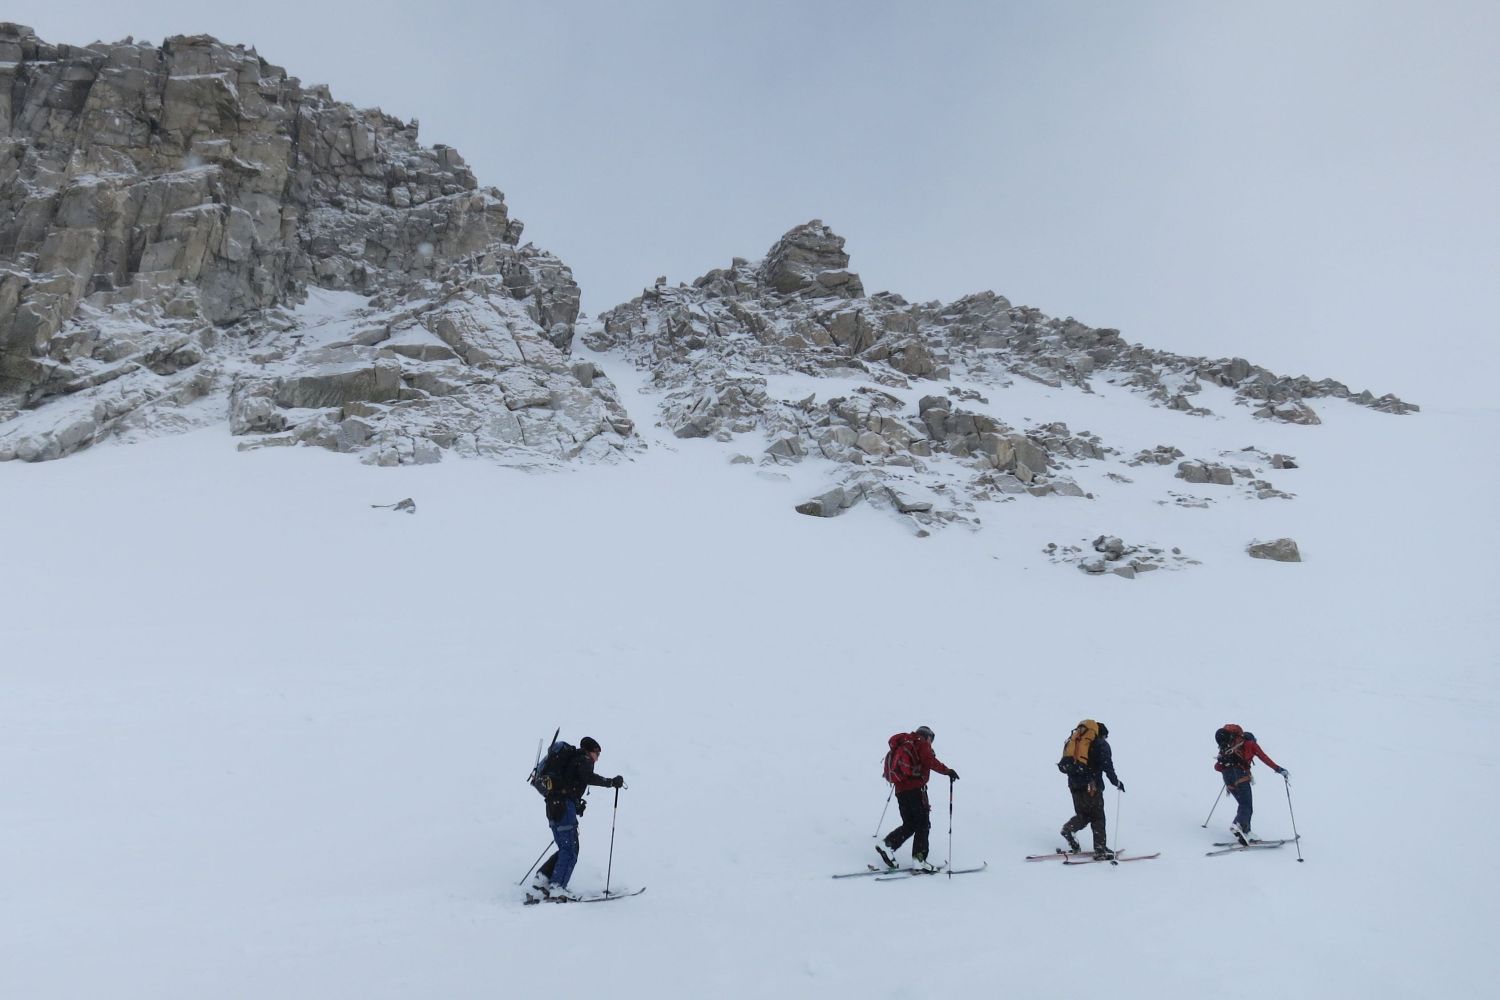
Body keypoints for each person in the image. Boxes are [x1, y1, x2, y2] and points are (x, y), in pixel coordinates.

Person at [533, 736, 624, 900]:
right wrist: (611, 782)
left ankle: (542, 881)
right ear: (592, 751)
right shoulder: (583, 759)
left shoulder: (571, 761)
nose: (598, 758)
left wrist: (576, 804)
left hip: (552, 806)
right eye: (598, 754)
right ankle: (557, 887)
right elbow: (588, 778)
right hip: (562, 808)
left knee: (565, 848)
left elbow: (568, 786)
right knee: (570, 850)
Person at [876, 725, 958, 872]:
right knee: (923, 824)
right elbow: (930, 761)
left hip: (900, 791)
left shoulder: (906, 743)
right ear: (927, 736)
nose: (931, 743)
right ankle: (919, 859)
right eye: (931, 740)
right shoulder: (921, 743)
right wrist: (948, 771)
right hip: (915, 791)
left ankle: (888, 845)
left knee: (911, 824)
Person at [1058, 720, 1125, 860]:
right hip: (1091, 786)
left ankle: (1069, 829)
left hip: (1074, 783)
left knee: (1084, 814)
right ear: (1102, 734)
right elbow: (1108, 766)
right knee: (1097, 816)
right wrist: (1116, 782)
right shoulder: (1100, 744)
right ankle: (1100, 850)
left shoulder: (1076, 741)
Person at [1214, 724, 1287, 845]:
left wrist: (1229, 767)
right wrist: (1279, 769)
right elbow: (1264, 757)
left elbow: (1217, 767)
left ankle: (1245, 831)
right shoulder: (1250, 744)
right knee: (1247, 806)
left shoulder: (1228, 748)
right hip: (1240, 776)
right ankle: (1238, 825)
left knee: (1243, 805)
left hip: (1227, 778)